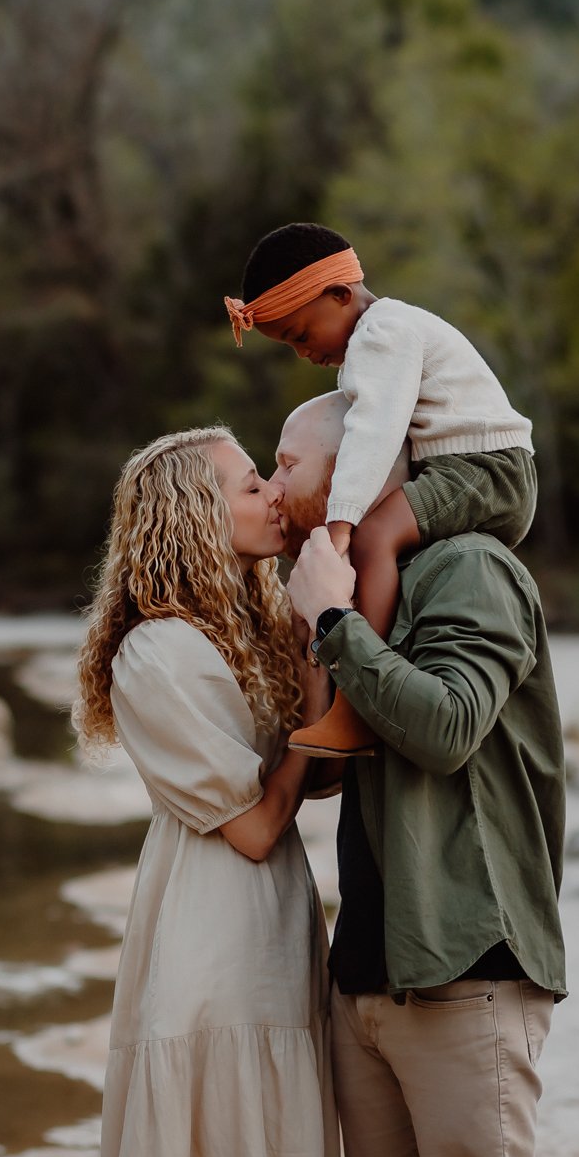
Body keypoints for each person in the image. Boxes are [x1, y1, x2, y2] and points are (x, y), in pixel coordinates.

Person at [274, 393, 567, 1157]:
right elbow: (329, 771)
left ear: (356, 468)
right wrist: (318, 634)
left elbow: (445, 728)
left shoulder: (470, 567)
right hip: (367, 969)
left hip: (467, 963)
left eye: (289, 461)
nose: (273, 477)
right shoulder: (366, 584)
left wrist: (335, 622)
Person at [74, 426, 346, 1157]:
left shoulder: (246, 630)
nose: (272, 495)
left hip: (274, 924)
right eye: (251, 483)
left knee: (273, 1144)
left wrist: (324, 647)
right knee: (222, 1149)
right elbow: (261, 825)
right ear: (194, 514)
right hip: (213, 937)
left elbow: (318, 770)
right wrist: (308, 691)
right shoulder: (157, 653)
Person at [226, 223, 536, 759]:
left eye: (301, 335)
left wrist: (343, 524)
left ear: (341, 295)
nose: (302, 354)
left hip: (486, 469)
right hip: (470, 467)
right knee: (379, 539)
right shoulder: (380, 335)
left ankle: (355, 709)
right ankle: (350, 697)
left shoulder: (382, 333)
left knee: (374, 537)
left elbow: (372, 435)